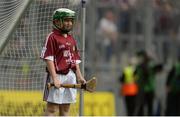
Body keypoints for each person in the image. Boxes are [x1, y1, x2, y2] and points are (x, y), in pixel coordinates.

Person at [40, 8, 86, 116]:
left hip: (70, 76)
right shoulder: (52, 37)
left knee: (65, 110)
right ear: (57, 21)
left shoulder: (71, 39)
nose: (69, 23)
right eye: (66, 20)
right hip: (57, 75)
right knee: (52, 109)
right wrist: (55, 78)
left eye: (71, 20)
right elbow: (48, 58)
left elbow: (74, 60)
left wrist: (79, 76)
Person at [134, 50, 163, 116]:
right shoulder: (141, 66)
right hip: (144, 88)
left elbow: (159, 68)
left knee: (147, 106)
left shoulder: (147, 65)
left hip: (147, 88)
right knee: (142, 106)